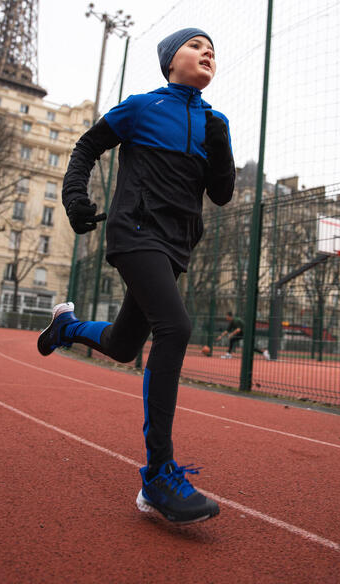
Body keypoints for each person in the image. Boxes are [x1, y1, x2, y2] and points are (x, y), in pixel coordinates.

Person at [37, 28, 234, 525]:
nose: (207, 51)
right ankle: (157, 475)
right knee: (176, 327)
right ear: (171, 61)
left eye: (212, 47)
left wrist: (221, 145)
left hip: (175, 245)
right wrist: (74, 198)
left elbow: (223, 193)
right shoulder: (142, 107)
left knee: (125, 344)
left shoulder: (215, 122)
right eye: (195, 45)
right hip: (135, 231)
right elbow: (86, 147)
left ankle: (67, 327)